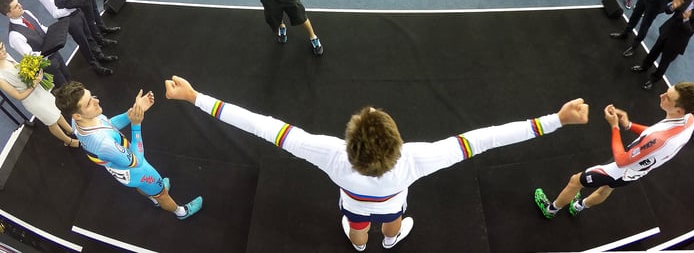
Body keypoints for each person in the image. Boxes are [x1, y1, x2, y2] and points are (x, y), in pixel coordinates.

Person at [163, 75, 589, 251]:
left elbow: (260, 125)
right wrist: (555, 120)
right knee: (394, 221)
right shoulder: (415, 159)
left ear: (350, 142)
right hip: (392, 203)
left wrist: (196, 98)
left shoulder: (331, 155)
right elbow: (486, 139)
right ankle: (389, 241)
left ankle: (359, 245)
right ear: (397, 141)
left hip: (353, 204)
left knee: (355, 226)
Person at [534, 82, 694, 219]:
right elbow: (653, 133)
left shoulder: (659, 139)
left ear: (678, 110)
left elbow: (622, 159)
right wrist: (628, 125)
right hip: (637, 171)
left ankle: (551, 210)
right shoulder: (688, 119)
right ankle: (578, 206)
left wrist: (614, 126)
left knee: (575, 181)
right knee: (606, 189)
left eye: (667, 97)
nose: (661, 95)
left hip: (621, 167)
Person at [53, 82, 202, 219]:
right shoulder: (104, 144)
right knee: (162, 194)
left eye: (91, 96)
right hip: (137, 169)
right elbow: (137, 161)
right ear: (77, 115)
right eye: (89, 103)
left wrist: (131, 114)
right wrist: (136, 124)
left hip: (124, 169)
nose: (96, 101)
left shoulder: (77, 121)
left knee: (143, 186)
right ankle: (180, 212)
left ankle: (154, 197)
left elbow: (109, 125)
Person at [30, 0, 116, 76]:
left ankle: (100, 55)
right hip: (69, 20)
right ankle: (95, 66)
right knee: (83, 43)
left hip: (78, 11)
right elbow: (55, 13)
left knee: (89, 36)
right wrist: (72, 6)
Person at [630, 0, 694, 90]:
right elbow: (668, 11)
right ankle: (644, 66)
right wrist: (673, 6)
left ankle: (654, 79)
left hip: (677, 41)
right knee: (654, 51)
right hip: (667, 31)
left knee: (664, 62)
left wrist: (686, 19)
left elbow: (690, 32)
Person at [0, 41, 78, 148]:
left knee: (55, 111)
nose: (3, 50)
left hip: (39, 91)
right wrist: (35, 82)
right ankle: (69, 141)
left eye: (2, 46)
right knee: (51, 121)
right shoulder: (1, 77)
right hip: (32, 100)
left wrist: (32, 71)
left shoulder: (6, 56)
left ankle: (70, 130)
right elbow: (18, 96)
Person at [0, 0, 71, 87]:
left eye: (18, 3)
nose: (20, 6)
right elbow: (31, 56)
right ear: (8, 14)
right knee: (63, 86)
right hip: (47, 64)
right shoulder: (14, 36)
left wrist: (57, 31)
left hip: (55, 52)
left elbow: (41, 28)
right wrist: (50, 49)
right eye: (16, 6)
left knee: (68, 76)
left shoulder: (27, 13)